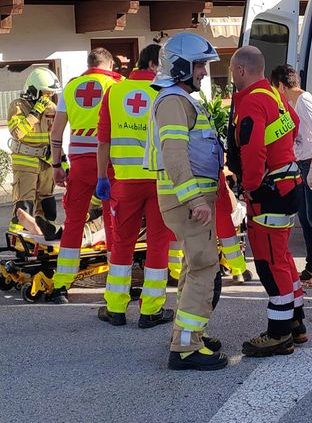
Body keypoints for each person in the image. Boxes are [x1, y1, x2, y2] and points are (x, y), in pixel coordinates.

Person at [145, 33, 227, 371]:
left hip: (188, 198)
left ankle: (188, 334)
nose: (205, 73)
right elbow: (175, 154)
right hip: (187, 200)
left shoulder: (179, 100)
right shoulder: (173, 102)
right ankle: (185, 347)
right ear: (180, 66)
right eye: (199, 66)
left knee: (196, 267)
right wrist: (194, 198)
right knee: (205, 267)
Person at [228, 46, 306, 357]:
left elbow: (252, 150)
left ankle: (279, 335)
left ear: (241, 71)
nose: (232, 76)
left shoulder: (252, 102)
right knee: (283, 257)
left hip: (269, 193)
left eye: (232, 70)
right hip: (288, 186)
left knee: (270, 263)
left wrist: (250, 187)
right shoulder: (275, 96)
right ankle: (296, 324)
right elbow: (294, 125)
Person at [95, 44, 172, 328]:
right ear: (153, 64)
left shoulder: (114, 92)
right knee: (158, 242)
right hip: (158, 181)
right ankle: (151, 310)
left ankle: (115, 308)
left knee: (122, 243)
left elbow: (103, 141)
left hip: (124, 183)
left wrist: (102, 176)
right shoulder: (164, 92)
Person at [49, 49, 122, 302]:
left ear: (89, 64)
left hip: (79, 162)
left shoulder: (70, 87)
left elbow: (56, 132)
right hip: (109, 161)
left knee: (73, 221)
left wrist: (56, 165)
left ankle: (61, 284)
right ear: (110, 63)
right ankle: (116, 283)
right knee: (113, 221)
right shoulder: (116, 85)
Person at [269, 65, 312, 288]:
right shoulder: (291, 104)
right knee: (305, 219)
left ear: (280, 85)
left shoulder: (304, 101)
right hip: (304, 164)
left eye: (274, 88)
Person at [7, 67, 61, 238]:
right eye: (46, 93)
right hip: (26, 162)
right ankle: (19, 238)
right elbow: (18, 132)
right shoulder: (17, 106)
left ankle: (46, 233)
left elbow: (55, 137)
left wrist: (62, 164)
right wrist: (35, 112)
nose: (50, 96)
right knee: (25, 204)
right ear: (34, 90)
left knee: (48, 202)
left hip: (46, 162)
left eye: (51, 93)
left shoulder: (51, 107)